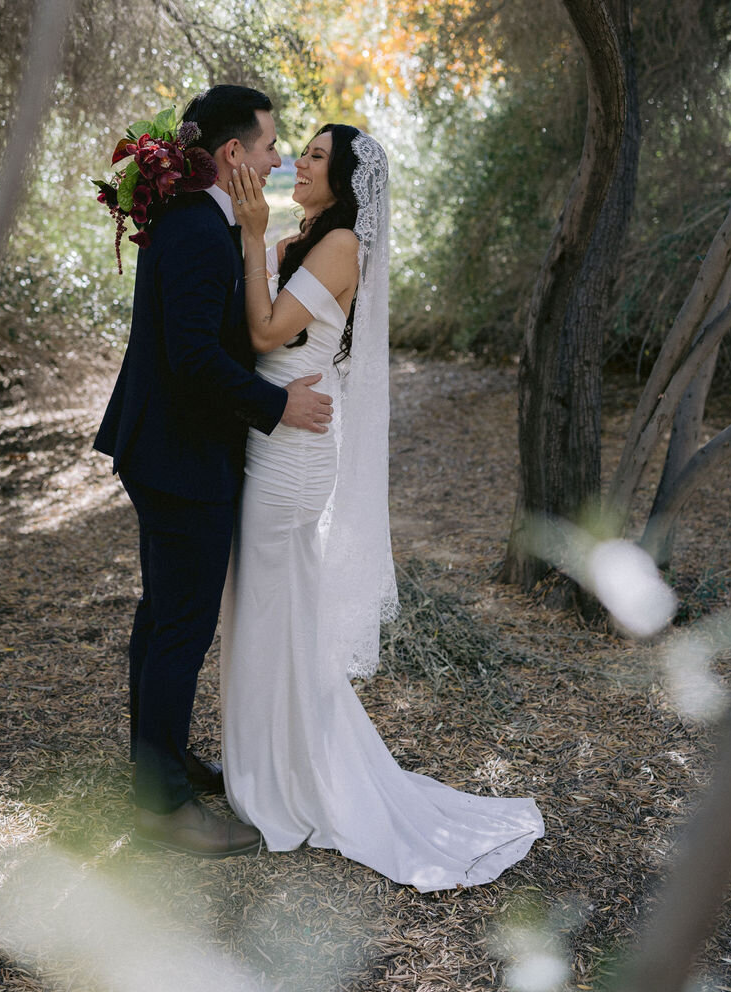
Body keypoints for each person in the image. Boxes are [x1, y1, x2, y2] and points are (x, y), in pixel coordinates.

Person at [221, 124, 544, 890]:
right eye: (299, 148)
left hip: (292, 458)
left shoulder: (338, 249)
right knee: (270, 612)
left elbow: (265, 330)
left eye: (317, 155)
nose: (299, 159)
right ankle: (273, 765)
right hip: (279, 442)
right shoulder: (311, 238)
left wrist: (249, 237)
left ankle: (283, 784)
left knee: (270, 611)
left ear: (350, 183)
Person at [93, 85, 334, 859]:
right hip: (180, 455)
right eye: (269, 145)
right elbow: (193, 356)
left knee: (162, 619)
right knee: (180, 630)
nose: (276, 157)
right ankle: (161, 807)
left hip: (165, 447)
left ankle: (157, 766)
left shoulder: (202, 221)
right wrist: (276, 406)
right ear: (233, 153)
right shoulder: (200, 230)